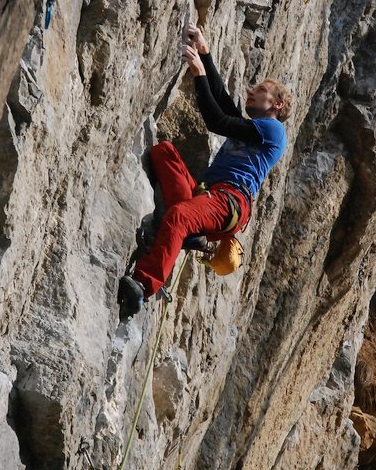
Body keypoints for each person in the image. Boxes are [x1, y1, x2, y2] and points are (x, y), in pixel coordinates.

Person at [118, 24, 292, 316]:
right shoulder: (254, 129)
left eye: (260, 90)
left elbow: (218, 122)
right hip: (209, 194)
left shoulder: (273, 131)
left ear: (277, 104)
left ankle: (143, 285)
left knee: (179, 216)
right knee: (164, 153)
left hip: (229, 203)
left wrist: (198, 73)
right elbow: (223, 100)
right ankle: (190, 235)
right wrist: (205, 53)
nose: (251, 92)